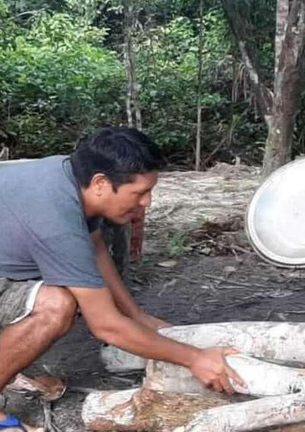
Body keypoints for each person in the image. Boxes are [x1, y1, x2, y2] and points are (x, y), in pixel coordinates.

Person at [0, 127, 243, 431]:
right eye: (139, 192)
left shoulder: (72, 178)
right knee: (57, 307)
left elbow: (96, 247)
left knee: (64, 295)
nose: (147, 203)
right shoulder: (56, 218)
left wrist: (137, 316)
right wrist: (195, 358)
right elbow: (105, 326)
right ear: (101, 183)